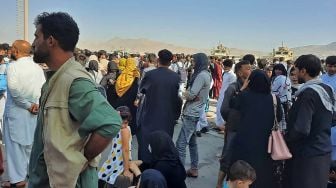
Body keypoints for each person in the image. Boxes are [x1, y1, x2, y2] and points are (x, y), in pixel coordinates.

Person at [28, 12, 121, 188]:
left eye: (36, 37)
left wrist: (80, 159)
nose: (33, 44)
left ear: (50, 41)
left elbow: (110, 122)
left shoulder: (73, 81)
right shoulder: (57, 78)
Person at [284, 54, 335, 188]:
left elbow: (301, 129)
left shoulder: (308, 94)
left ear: (304, 71)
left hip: (307, 156)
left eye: (296, 69)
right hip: (323, 151)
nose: (294, 73)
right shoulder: (327, 89)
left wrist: (286, 138)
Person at [2, 40, 46, 188]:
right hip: (33, 112)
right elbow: (42, 89)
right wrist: (36, 106)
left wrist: (28, 106)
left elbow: (14, 91)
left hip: (18, 112)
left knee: (15, 148)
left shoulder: (13, 67)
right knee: (30, 146)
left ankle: (17, 180)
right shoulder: (37, 68)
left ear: (16, 51)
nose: (9, 51)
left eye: (11, 49)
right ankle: (26, 176)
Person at [230, 70, 282, 188]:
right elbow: (278, 117)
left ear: (251, 82)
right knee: (262, 175)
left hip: (244, 142)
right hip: (265, 144)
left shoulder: (244, 96)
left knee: (241, 173)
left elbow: (233, 103)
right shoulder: (274, 99)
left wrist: (242, 88)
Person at [136, 49, 182, 166]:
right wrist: (175, 116)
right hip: (167, 118)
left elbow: (141, 92)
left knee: (146, 146)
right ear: (170, 62)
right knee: (164, 146)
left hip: (150, 116)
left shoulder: (150, 75)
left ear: (158, 60)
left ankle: (144, 172)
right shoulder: (175, 77)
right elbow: (178, 99)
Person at [176, 53, 211, 178]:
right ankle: (194, 168)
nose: (193, 63)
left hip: (192, 113)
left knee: (180, 144)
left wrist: (184, 93)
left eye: (194, 61)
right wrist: (192, 95)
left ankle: (178, 174)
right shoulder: (206, 74)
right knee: (192, 143)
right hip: (195, 112)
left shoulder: (201, 75)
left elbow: (191, 94)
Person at [217, 60, 251, 187]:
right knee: (227, 156)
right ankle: (219, 183)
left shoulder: (251, 88)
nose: (250, 71)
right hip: (233, 128)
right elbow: (224, 109)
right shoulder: (233, 88)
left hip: (245, 128)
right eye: (247, 68)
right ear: (239, 72)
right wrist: (232, 118)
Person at [98, 106, 133, 187]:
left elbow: (124, 149)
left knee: (107, 178)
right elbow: (123, 149)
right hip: (117, 159)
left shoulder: (120, 129)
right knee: (110, 180)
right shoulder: (121, 129)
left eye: (126, 123)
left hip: (117, 159)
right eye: (122, 122)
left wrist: (126, 169)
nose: (124, 125)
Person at [111, 58, 140, 135]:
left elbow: (116, 88)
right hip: (131, 101)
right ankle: (131, 131)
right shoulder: (136, 75)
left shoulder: (121, 75)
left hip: (121, 101)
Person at [215, 59, 236, 132]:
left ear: (229, 67)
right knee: (218, 110)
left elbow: (231, 87)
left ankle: (223, 127)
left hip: (226, 96)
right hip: (221, 94)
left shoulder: (232, 76)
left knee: (222, 110)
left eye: (225, 66)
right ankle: (218, 125)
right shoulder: (224, 73)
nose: (224, 67)